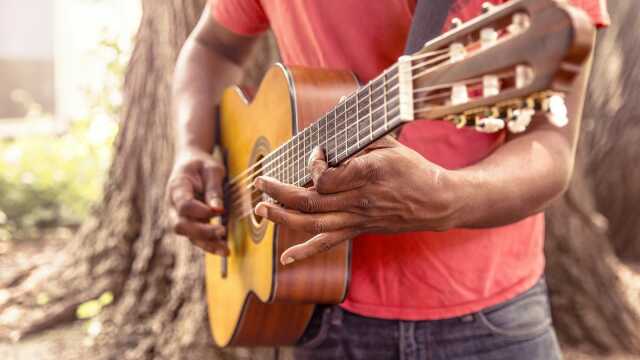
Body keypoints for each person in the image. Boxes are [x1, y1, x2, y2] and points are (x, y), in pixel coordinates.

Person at [167, 1, 609, 359]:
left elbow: (550, 148)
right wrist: (191, 148)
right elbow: (213, 47)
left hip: (491, 319)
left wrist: (448, 197)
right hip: (313, 307)